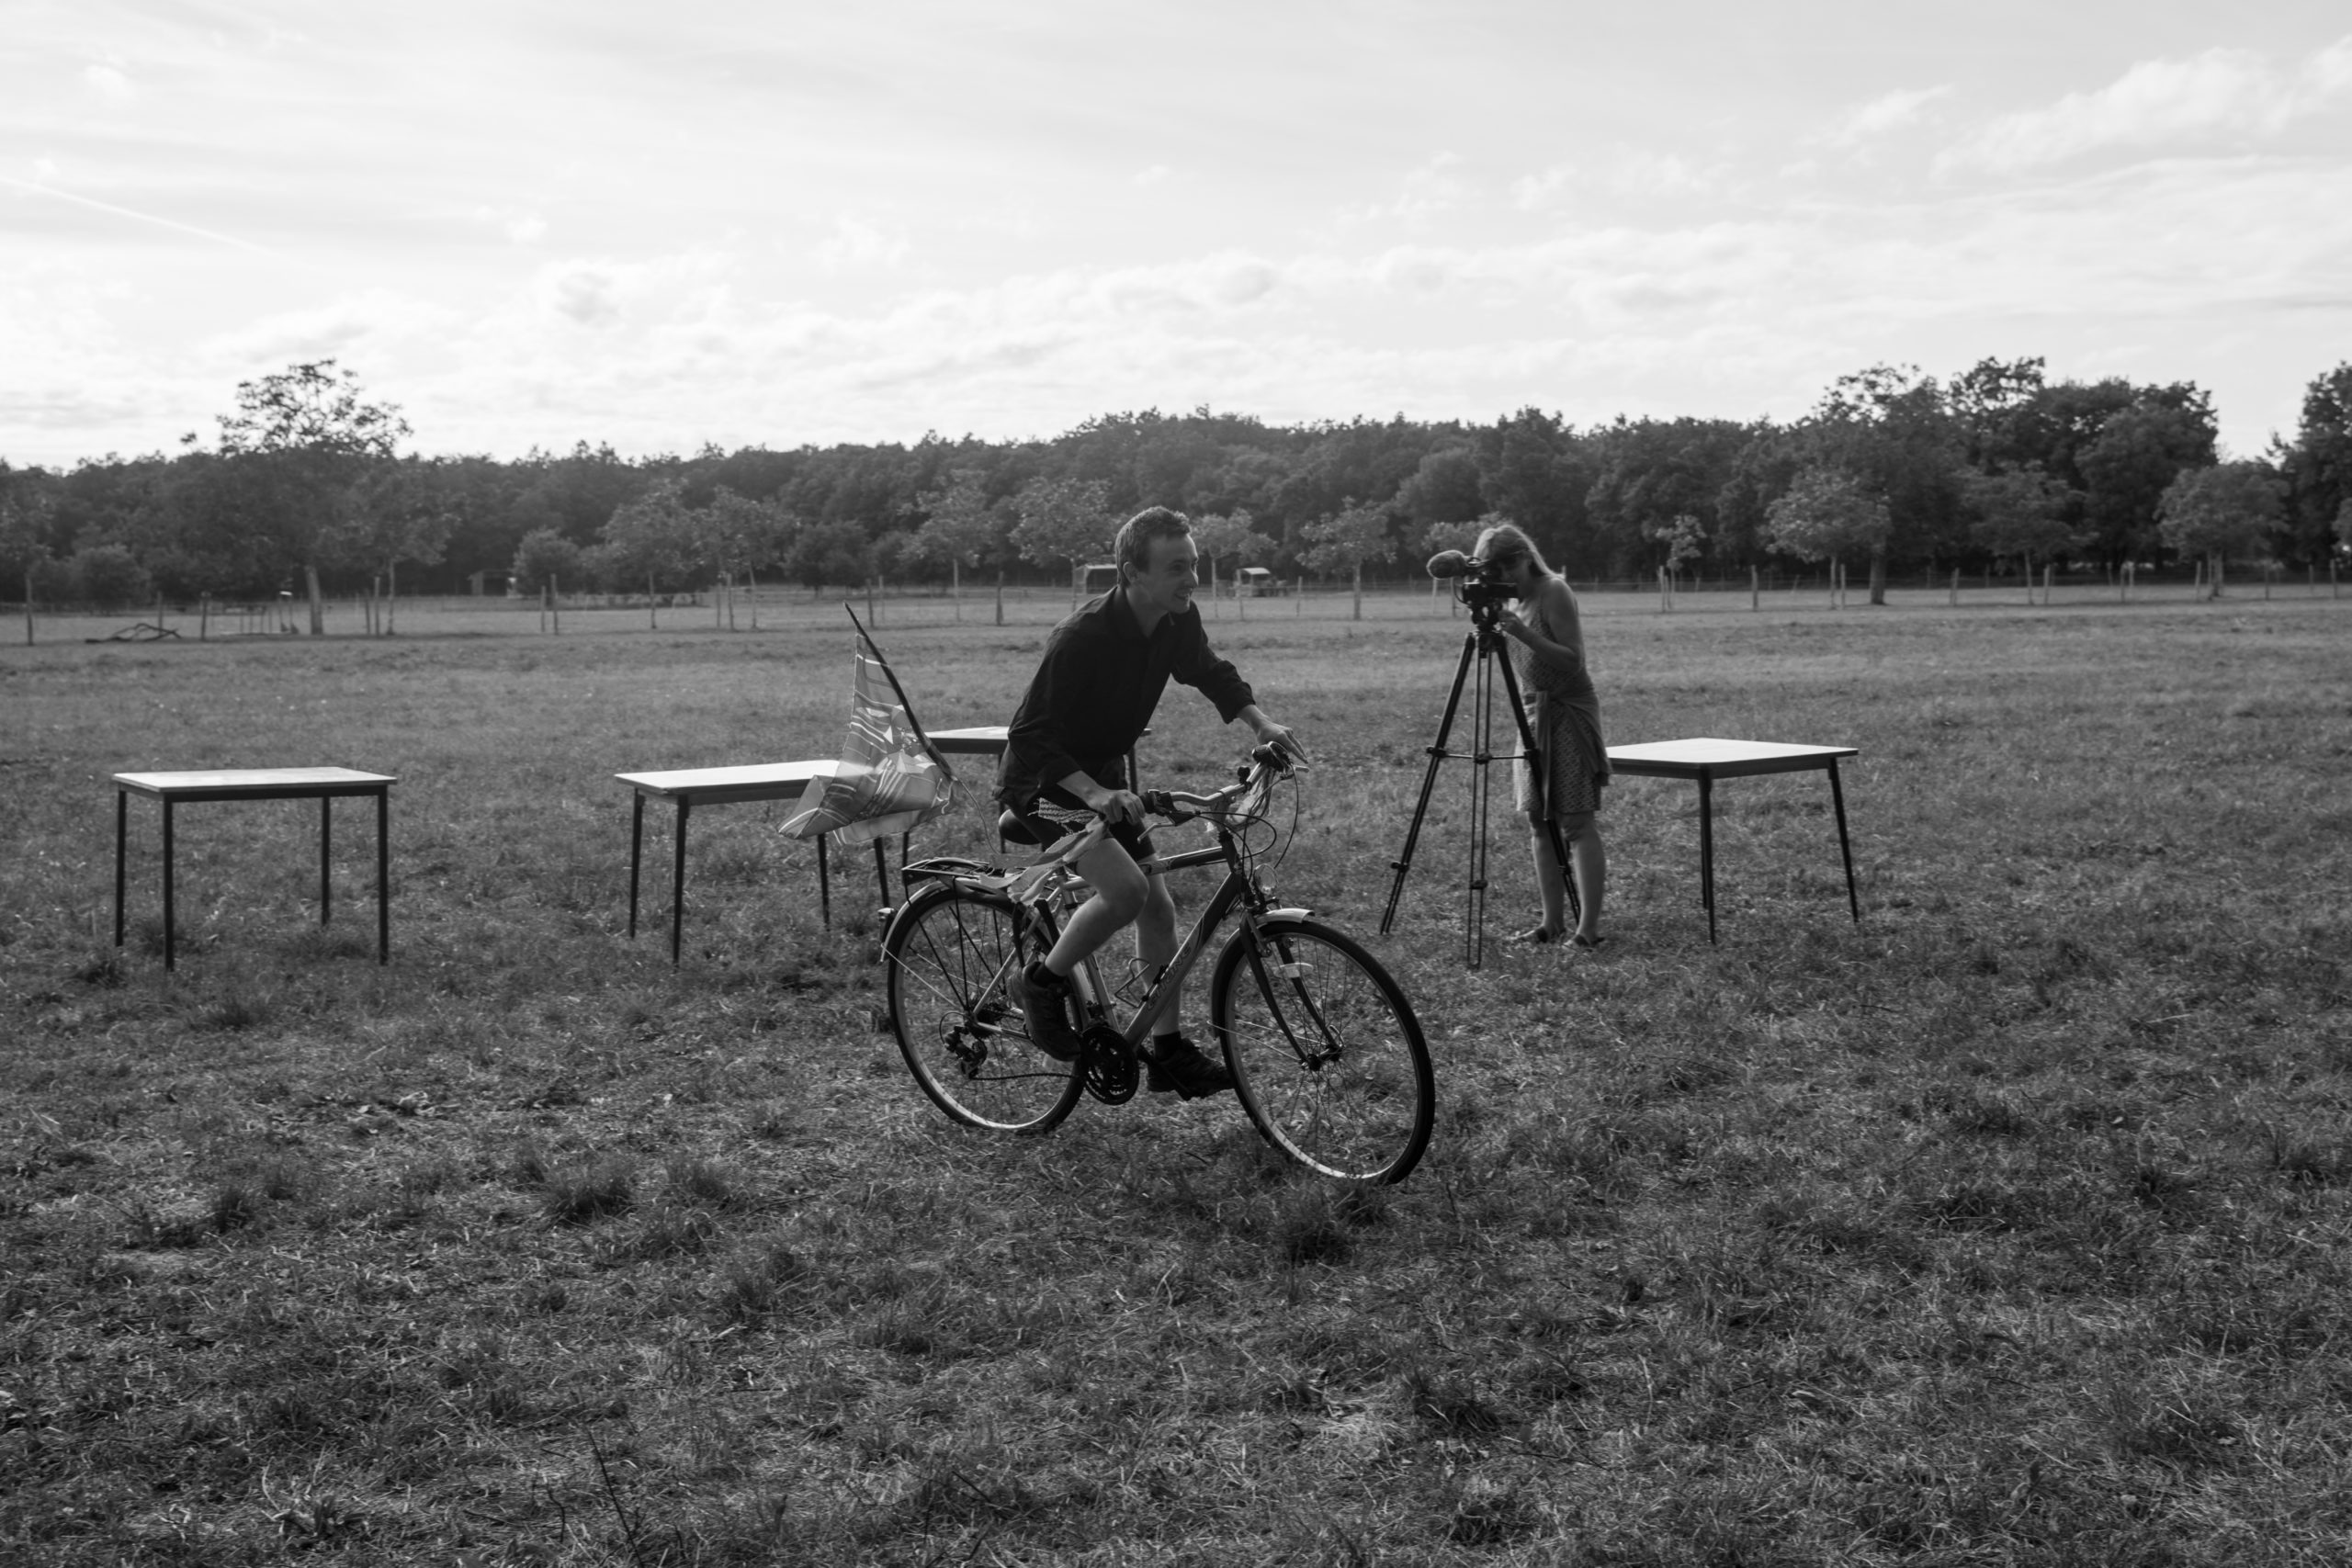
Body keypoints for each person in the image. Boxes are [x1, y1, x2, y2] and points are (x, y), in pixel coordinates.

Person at [999, 507, 1308, 1098]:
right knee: (1128, 891)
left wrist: (1259, 721)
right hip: (1045, 785)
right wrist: (1093, 792)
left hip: (1104, 780)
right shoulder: (1081, 637)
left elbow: (1209, 671)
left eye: (1193, 564)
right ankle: (1039, 982)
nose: (1191, 578)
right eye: (1176, 567)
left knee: (1159, 910)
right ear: (1131, 573)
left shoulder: (1175, 621)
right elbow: (1030, 733)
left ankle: (1167, 1052)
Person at [1477, 521, 1609, 949]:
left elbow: (1574, 660)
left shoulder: (1554, 590)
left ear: (1525, 557)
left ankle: (1587, 930)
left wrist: (1521, 631)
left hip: (1568, 709)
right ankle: (1550, 923)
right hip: (1533, 712)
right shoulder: (1509, 600)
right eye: (1495, 573)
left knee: (1575, 821)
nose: (1504, 578)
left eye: (1508, 568)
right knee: (1539, 820)